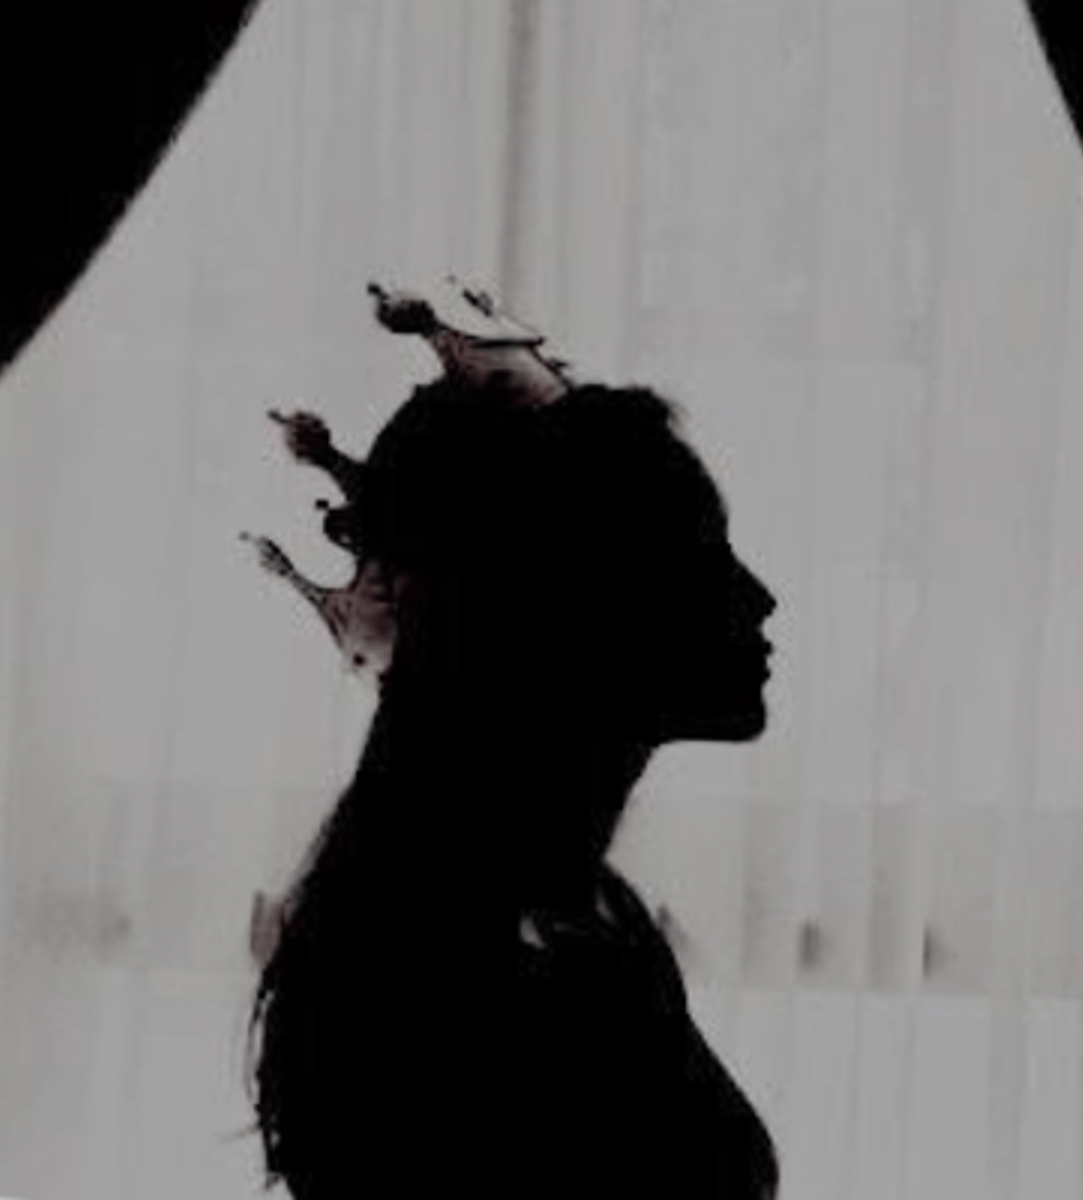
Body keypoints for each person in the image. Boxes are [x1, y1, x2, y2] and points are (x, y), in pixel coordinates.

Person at [243, 285, 779, 1197]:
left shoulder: (580, 918)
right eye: (699, 555)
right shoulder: (430, 975)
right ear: (567, 603)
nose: (757, 596)